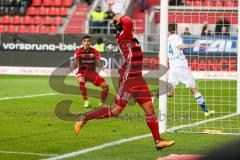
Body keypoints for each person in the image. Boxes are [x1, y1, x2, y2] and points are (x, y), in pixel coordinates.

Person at [74, 15, 176, 150]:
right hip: (128, 80)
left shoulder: (132, 38)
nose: (133, 22)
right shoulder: (123, 35)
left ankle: (158, 141)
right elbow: (127, 21)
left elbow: (128, 23)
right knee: (116, 111)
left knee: (150, 109)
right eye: (129, 23)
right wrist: (118, 17)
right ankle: (84, 117)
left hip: (138, 79)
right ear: (122, 26)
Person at [167, 23, 215, 117]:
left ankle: (154, 99)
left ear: (168, 30)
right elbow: (180, 46)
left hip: (172, 66)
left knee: (169, 91)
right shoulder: (176, 37)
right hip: (181, 66)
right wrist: (192, 45)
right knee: (194, 89)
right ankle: (205, 111)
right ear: (176, 29)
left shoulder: (167, 39)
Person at [71, 35, 109, 108]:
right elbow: (75, 64)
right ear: (82, 42)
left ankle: (102, 103)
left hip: (92, 73)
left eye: (88, 41)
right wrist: (76, 74)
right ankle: (86, 101)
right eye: (85, 41)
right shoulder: (79, 51)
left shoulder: (95, 51)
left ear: (90, 42)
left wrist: (101, 68)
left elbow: (99, 62)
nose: (86, 43)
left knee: (106, 86)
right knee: (81, 81)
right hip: (81, 72)